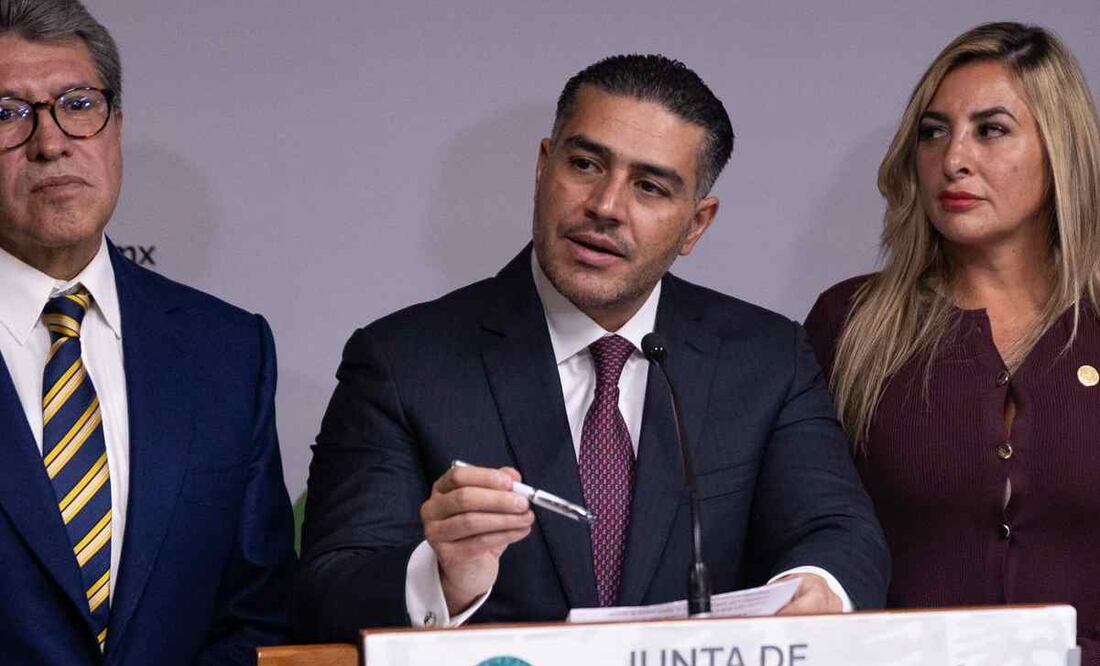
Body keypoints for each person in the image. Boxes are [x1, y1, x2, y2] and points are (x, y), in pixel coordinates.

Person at [295, 53, 888, 641]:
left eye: (651, 187)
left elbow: (839, 532)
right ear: (543, 165)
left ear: (696, 225)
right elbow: (329, 585)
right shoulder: (401, 361)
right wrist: (444, 575)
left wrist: (815, 589)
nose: (606, 207)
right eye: (584, 164)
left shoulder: (765, 357)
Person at [0, 1, 295, 663]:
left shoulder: (230, 352)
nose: (50, 142)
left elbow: (260, 613)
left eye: (77, 104)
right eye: (6, 114)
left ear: (117, 129)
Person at [804, 22, 1100, 664]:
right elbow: (803, 534)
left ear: (1061, 148)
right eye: (934, 132)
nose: (954, 158)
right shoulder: (850, 323)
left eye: (990, 129)